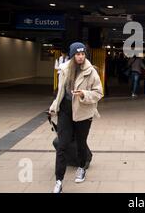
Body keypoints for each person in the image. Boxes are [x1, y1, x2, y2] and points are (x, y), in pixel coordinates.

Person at [49, 42, 103, 193]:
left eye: (83, 54)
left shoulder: (91, 72)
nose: (80, 57)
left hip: (83, 112)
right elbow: (60, 92)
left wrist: (84, 94)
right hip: (65, 111)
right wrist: (54, 107)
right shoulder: (64, 69)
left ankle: (81, 167)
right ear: (72, 55)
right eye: (77, 54)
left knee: (81, 143)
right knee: (62, 144)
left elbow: (99, 93)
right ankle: (59, 180)